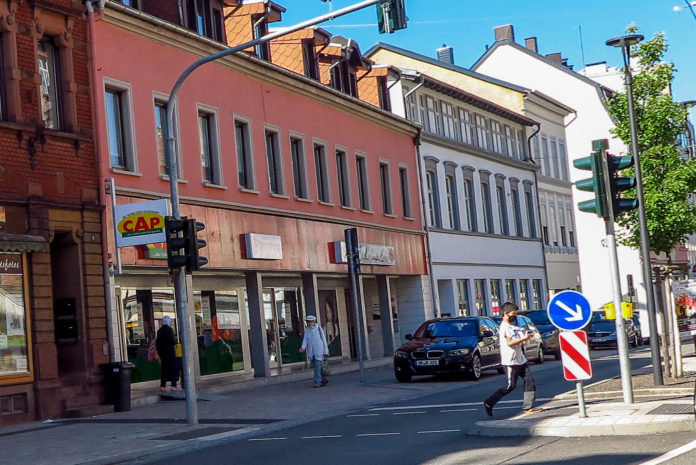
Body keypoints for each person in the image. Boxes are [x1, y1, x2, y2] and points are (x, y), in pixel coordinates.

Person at [483, 302, 542, 416]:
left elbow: (519, 338)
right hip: (510, 361)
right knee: (510, 386)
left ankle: (528, 406)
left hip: (521, 359)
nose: (514, 316)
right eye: (513, 314)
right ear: (505, 313)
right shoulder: (504, 327)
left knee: (529, 381)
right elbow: (510, 342)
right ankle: (489, 402)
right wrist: (524, 338)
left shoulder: (513, 327)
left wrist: (525, 338)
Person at [299, 315, 329, 388]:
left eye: (309, 321)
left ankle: (317, 381)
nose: (308, 323)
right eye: (307, 321)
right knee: (318, 366)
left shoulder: (318, 328)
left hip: (319, 350)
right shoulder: (307, 330)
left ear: (314, 321)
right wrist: (303, 347)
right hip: (312, 352)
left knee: (317, 366)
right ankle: (323, 379)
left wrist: (325, 350)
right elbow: (305, 339)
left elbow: (323, 339)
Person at [156, 316, 181, 392]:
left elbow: (158, 343)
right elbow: (173, 341)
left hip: (163, 353)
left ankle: (162, 385)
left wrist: (159, 354)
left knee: (164, 369)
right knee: (174, 368)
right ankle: (174, 385)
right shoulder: (169, 330)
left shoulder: (159, 331)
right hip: (171, 352)